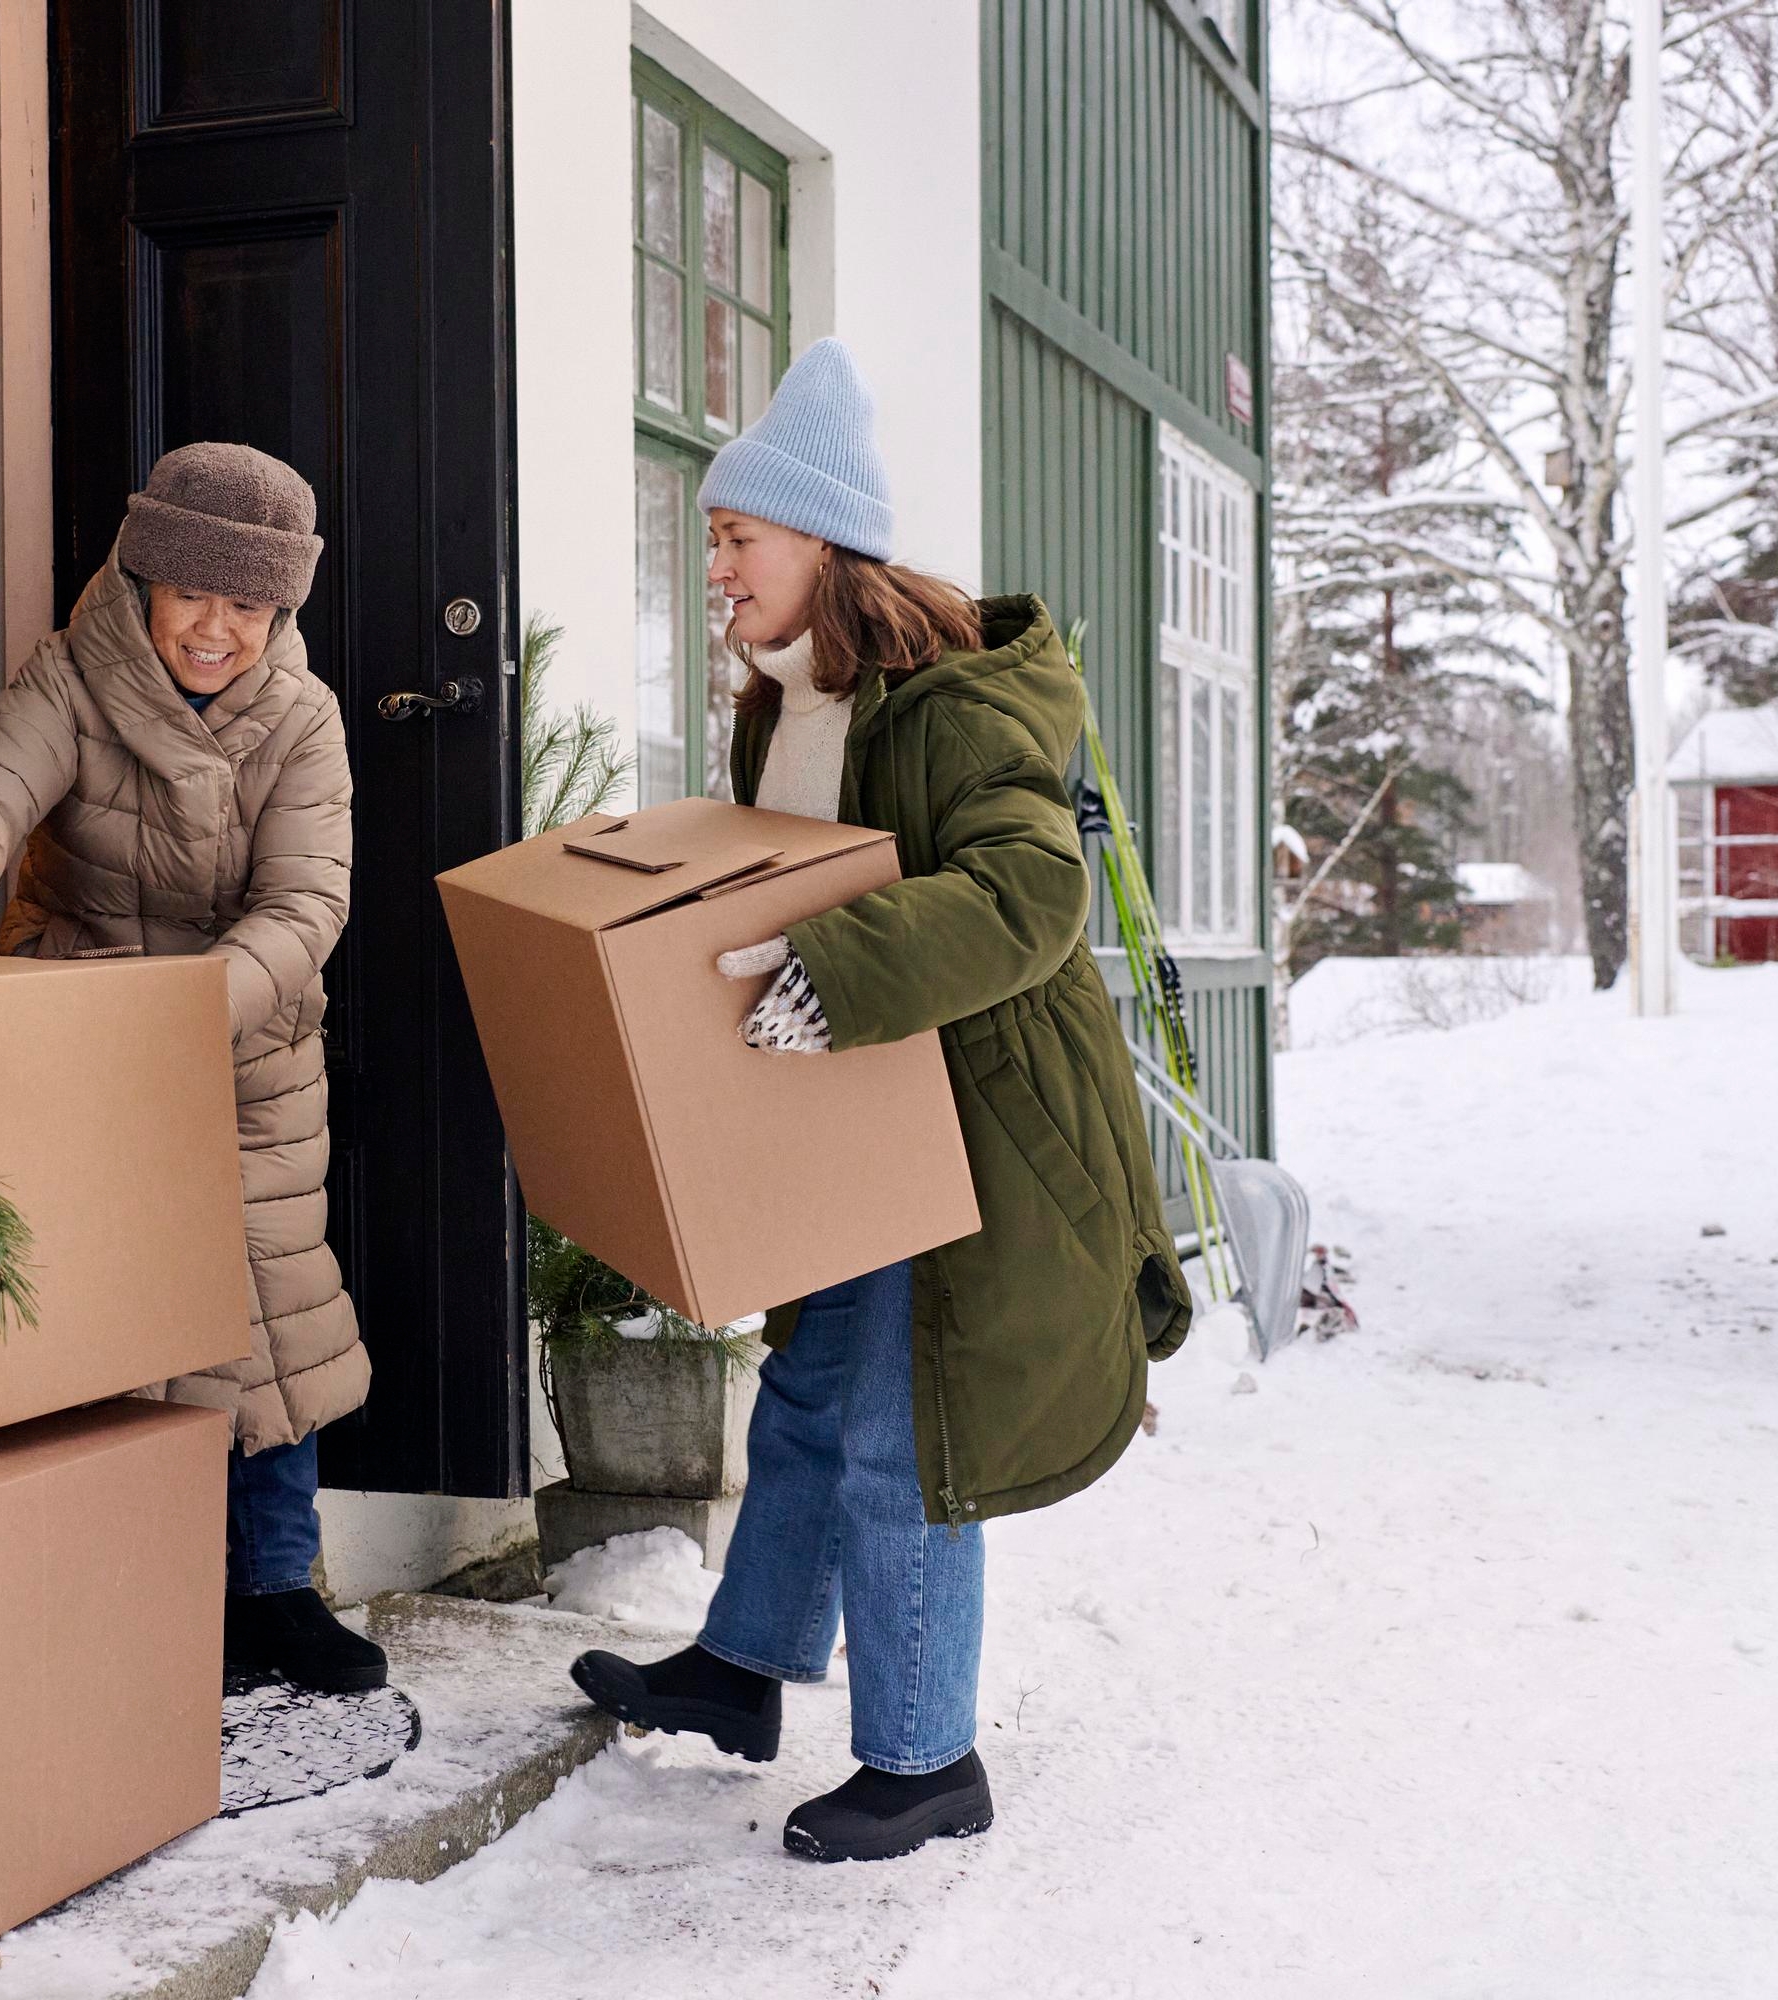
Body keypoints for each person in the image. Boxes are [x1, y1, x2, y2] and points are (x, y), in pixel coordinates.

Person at [568, 340, 1193, 1861]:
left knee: (902, 1432)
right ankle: (742, 1668)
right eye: (714, 539)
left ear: (823, 545)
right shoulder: (780, 707)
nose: (717, 566)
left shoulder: (949, 704)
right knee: (809, 1389)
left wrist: (838, 972)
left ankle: (926, 1760)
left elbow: (1034, 893)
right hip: (854, 1108)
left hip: (975, 1119)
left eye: (738, 536)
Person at [0, 442, 385, 1696]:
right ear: (141, 577)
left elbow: (306, 902)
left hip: (242, 1043)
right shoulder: (70, 676)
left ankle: (276, 1586)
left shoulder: (306, 717)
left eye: (248, 603)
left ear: (281, 608)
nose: (216, 629)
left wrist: (189, 1009)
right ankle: (125, 1584)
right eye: (193, 593)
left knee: (264, 1301)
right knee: (94, 1315)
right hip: (78, 1040)